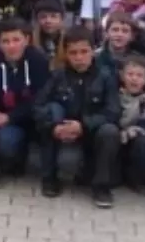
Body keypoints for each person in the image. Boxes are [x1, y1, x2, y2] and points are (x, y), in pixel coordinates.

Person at [32, 25, 121, 207]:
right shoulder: (57, 75)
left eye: (84, 52)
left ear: (93, 51)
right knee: (51, 111)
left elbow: (113, 111)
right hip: (62, 132)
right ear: (66, 53)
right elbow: (37, 106)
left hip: (90, 131)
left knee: (110, 131)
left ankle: (101, 187)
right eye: (73, 53)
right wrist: (54, 126)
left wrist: (83, 125)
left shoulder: (106, 76)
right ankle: (49, 178)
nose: (79, 58)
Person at [0, 17, 49, 175]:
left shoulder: (39, 61)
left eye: (16, 40)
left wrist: (10, 117)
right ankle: (16, 159)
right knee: (7, 143)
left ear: (26, 40)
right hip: (9, 122)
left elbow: (41, 98)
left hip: (34, 118)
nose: (11, 46)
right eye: (6, 41)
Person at [116, 55, 145, 191]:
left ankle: (136, 180)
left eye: (139, 75)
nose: (134, 78)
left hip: (134, 140)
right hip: (116, 136)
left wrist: (135, 129)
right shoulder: (114, 96)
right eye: (130, 74)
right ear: (122, 76)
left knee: (143, 141)